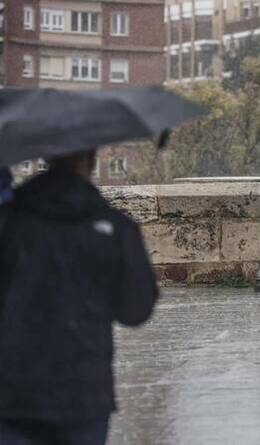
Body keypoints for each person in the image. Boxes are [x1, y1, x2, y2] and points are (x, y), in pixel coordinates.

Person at [0, 150, 159, 444]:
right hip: (84, 393)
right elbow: (136, 310)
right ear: (91, 160)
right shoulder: (116, 227)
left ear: (47, 158)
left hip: (13, 393)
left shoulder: (9, 221)